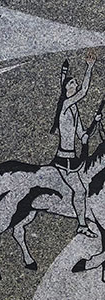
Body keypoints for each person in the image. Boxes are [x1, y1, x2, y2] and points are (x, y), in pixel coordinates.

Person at [51, 52, 98, 238]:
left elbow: (82, 135)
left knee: (84, 188)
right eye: (72, 83)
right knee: (80, 190)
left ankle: (83, 221)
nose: (76, 85)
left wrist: (94, 123)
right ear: (66, 88)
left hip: (73, 159)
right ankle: (81, 225)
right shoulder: (64, 104)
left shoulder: (73, 108)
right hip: (64, 159)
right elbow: (84, 91)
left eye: (75, 83)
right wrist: (89, 68)